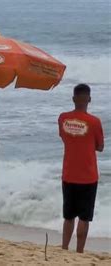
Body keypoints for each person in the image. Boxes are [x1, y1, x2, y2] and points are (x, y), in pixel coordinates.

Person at [58, 83, 104, 253]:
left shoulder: (63, 119)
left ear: (73, 99)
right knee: (84, 218)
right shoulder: (95, 122)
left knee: (68, 216)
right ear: (89, 99)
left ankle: (64, 248)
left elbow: (64, 137)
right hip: (89, 176)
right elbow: (100, 147)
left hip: (69, 173)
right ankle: (79, 252)